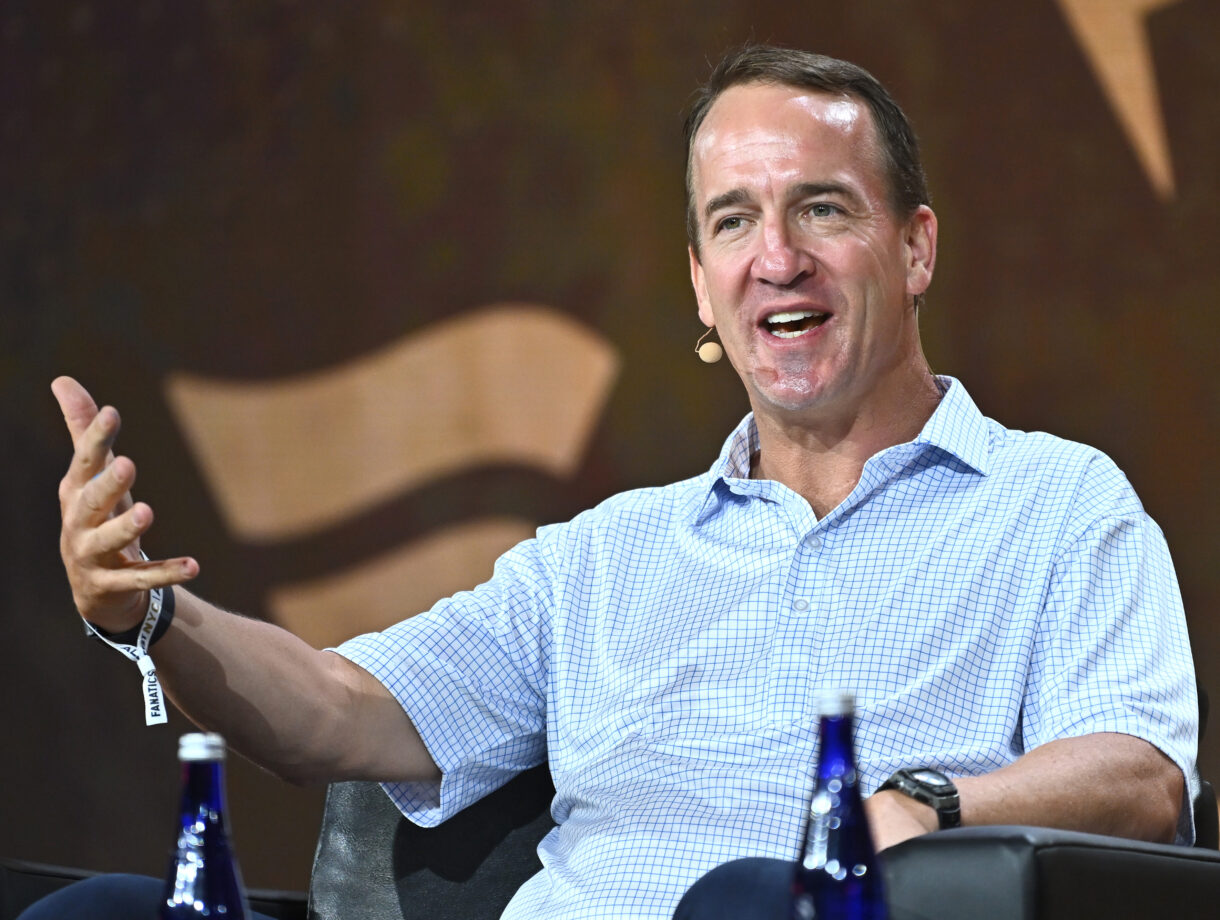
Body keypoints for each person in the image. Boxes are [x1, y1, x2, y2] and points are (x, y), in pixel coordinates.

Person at [41, 44, 1196, 920]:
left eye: (823, 208)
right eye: (733, 221)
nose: (775, 256)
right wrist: (151, 614)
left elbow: (1141, 776)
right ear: (701, 286)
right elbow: (333, 710)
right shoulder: (601, 555)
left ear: (914, 248)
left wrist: (921, 806)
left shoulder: (1055, 502)